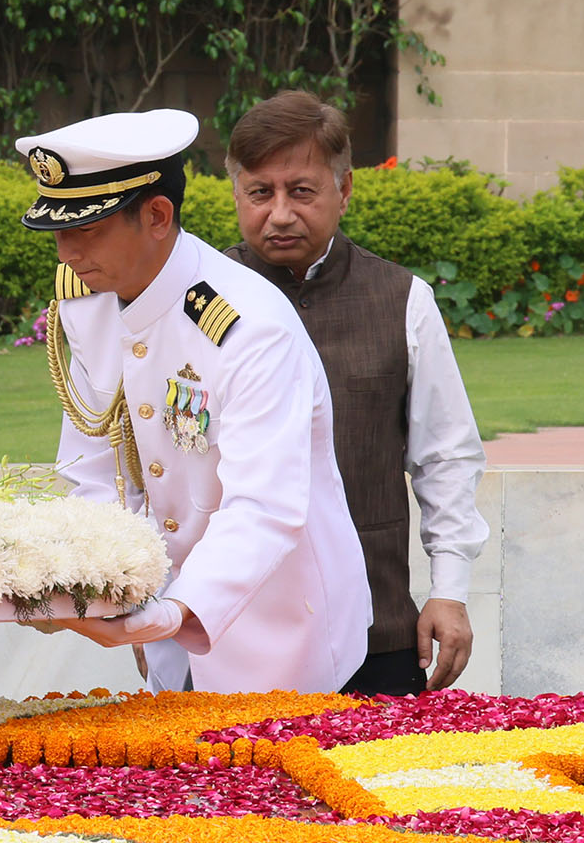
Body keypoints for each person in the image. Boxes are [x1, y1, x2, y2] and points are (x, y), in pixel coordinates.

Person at [26, 108, 371, 693]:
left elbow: (264, 507)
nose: (66, 254)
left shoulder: (247, 326)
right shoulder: (89, 308)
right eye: (58, 233)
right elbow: (88, 469)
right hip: (162, 626)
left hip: (278, 635)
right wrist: (83, 583)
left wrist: (173, 611)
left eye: (85, 231)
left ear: (157, 216)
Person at [224, 93, 489, 693]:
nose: (281, 214)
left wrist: (449, 591)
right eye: (260, 192)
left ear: (345, 190)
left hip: (377, 632)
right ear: (236, 195)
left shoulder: (402, 300)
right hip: (228, 634)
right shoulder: (196, 305)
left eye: (302, 190)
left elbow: (445, 457)